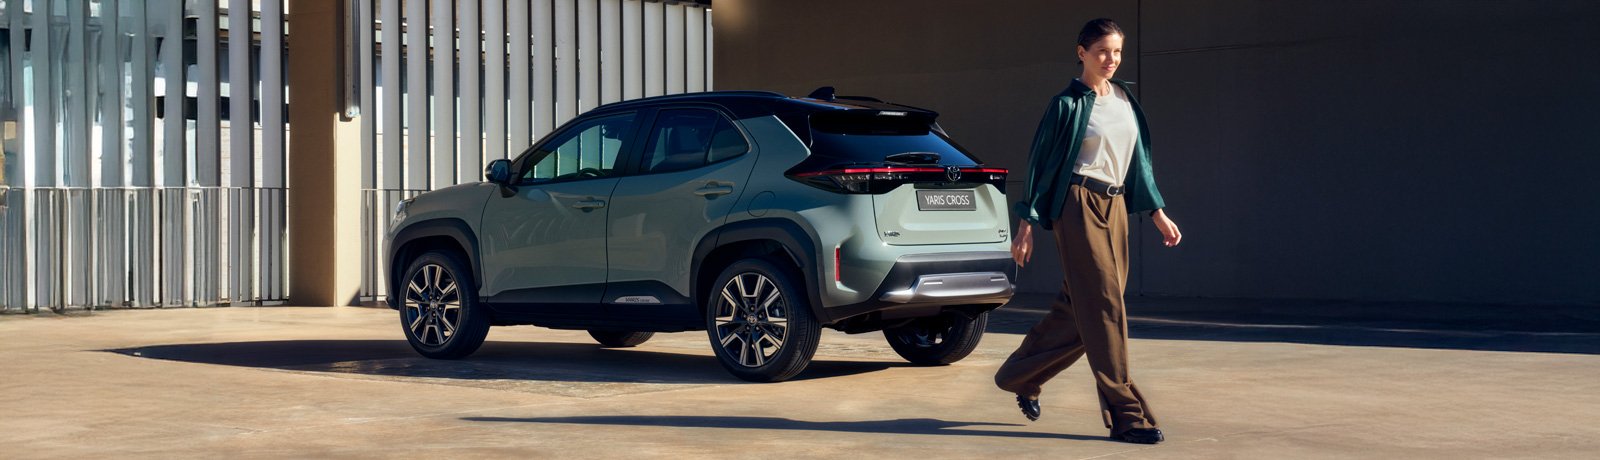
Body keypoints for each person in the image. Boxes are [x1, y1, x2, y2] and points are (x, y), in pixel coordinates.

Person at [994, 17, 1182, 445]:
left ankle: (1018, 375)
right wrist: (1026, 225)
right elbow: (1040, 165)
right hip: (1077, 204)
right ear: (1082, 53)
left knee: (1081, 308)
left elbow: (1138, 162)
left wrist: (1156, 213)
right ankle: (1127, 415)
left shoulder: (1124, 100)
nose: (1111, 59)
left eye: (1117, 52)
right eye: (1102, 51)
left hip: (1116, 206)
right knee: (1104, 308)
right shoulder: (1066, 104)